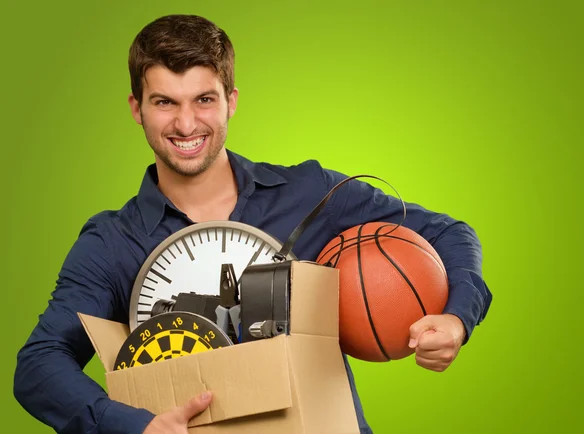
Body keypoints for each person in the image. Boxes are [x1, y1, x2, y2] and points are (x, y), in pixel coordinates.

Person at [13, 14, 492, 434]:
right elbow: (39, 364)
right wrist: (134, 426)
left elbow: (449, 233)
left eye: (204, 99)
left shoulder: (310, 192)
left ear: (231, 101)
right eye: (164, 103)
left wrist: (456, 318)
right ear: (137, 109)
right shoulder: (112, 242)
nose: (185, 124)